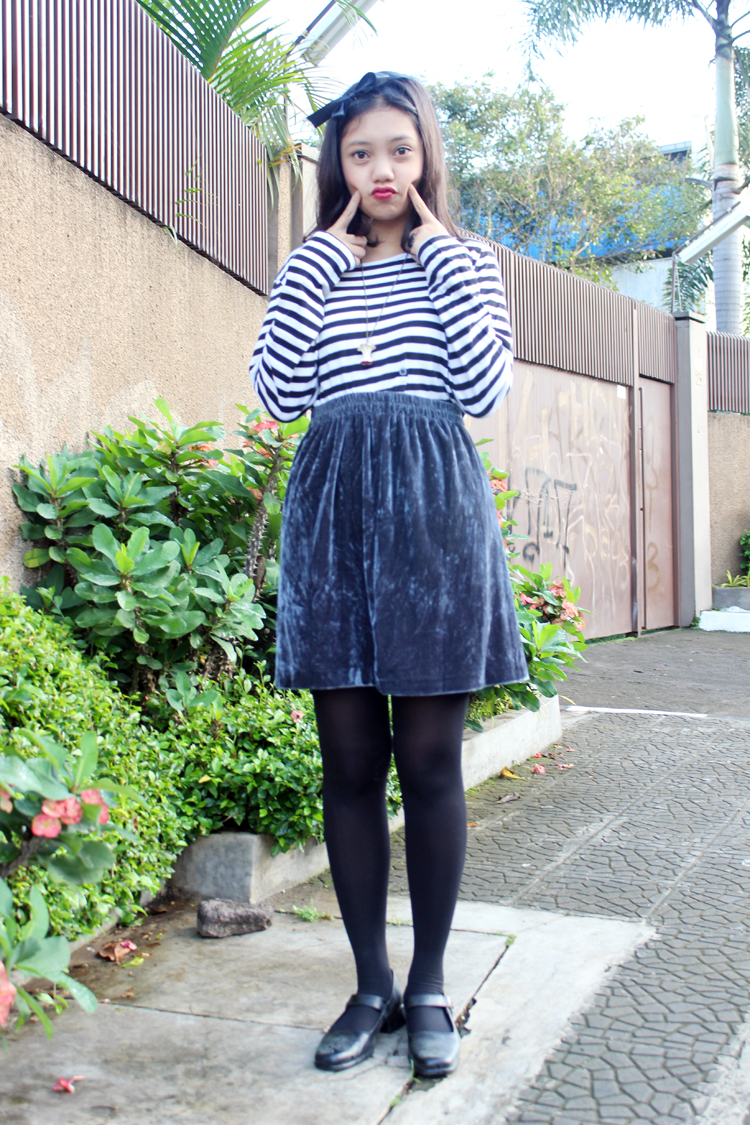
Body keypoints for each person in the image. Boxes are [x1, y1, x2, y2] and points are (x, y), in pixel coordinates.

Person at [249, 71, 527, 1079]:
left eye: (399, 151)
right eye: (361, 151)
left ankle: (431, 985)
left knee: (434, 760)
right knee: (350, 763)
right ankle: (370, 985)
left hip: (435, 515)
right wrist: (322, 259)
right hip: (333, 514)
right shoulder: (312, 265)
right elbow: (278, 390)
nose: (380, 169)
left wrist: (439, 252)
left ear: (425, 158)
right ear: (340, 162)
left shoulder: (468, 262)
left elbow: (484, 389)